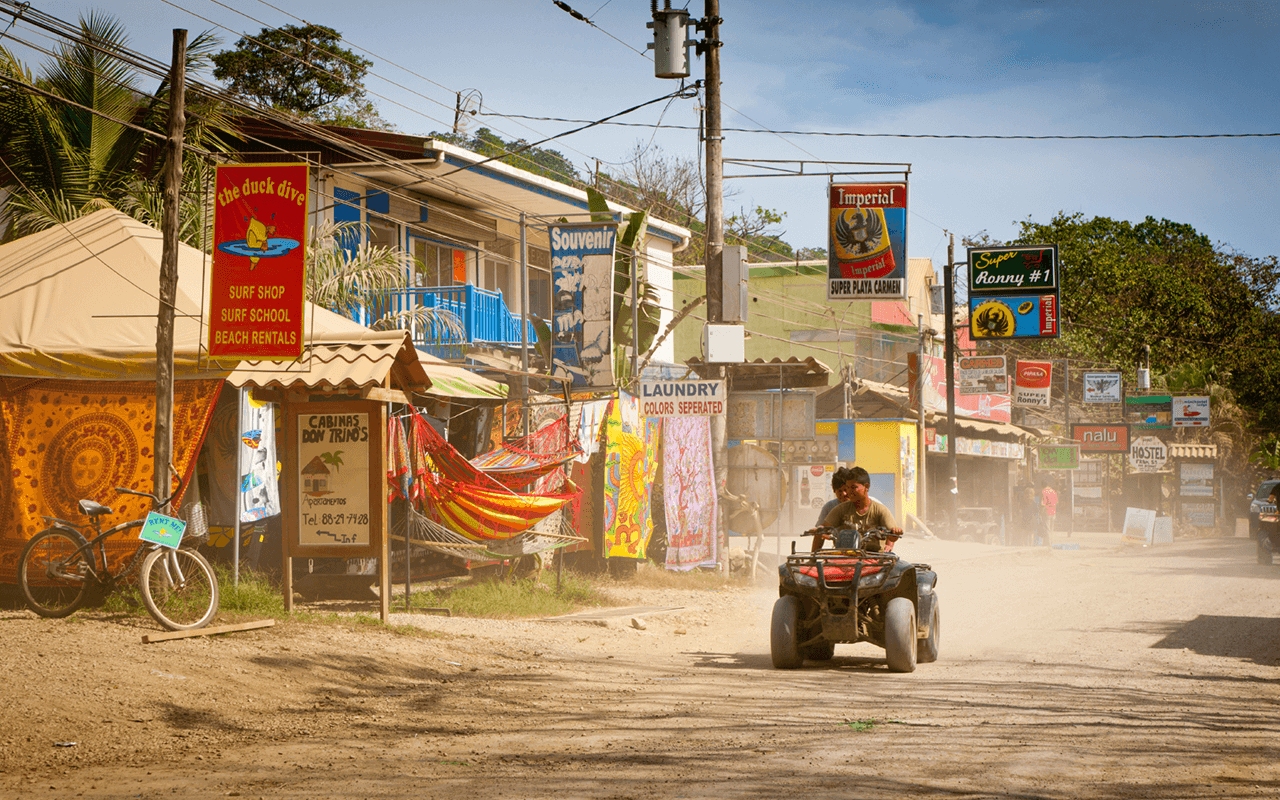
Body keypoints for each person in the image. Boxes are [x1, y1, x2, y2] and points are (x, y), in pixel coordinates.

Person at [810, 466, 903, 552]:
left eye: (853, 488)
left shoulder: (879, 509)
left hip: (873, 557)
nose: (848, 492)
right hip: (845, 555)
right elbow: (823, 528)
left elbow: (892, 535)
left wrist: (892, 540)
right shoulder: (838, 509)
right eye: (847, 488)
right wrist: (819, 530)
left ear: (866, 487)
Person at [1040, 478, 1058, 544]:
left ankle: (1047, 543)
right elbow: (1056, 503)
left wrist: (1040, 514)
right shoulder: (1053, 491)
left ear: (1042, 485)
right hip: (1053, 512)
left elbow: (1043, 504)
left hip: (1047, 512)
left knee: (1047, 528)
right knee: (1051, 529)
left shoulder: (1044, 492)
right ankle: (1051, 542)